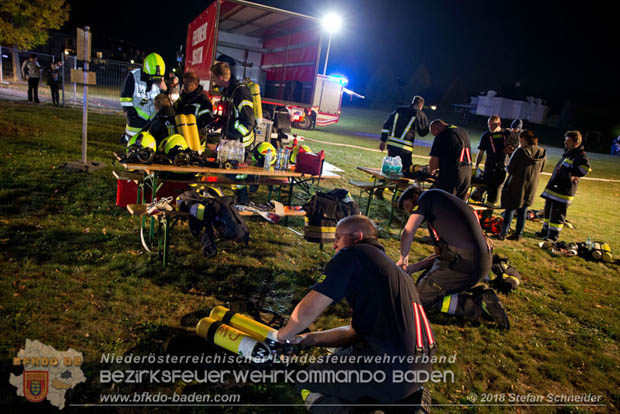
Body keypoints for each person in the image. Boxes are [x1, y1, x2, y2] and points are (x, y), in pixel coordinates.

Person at [277, 215, 435, 412]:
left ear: (357, 237)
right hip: (419, 368)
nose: (334, 245)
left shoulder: (352, 255)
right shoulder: (390, 272)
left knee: (307, 380)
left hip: (388, 368)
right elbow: (353, 334)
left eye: (337, 238)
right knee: (340, 355)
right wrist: (307, 338)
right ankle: (406, 401)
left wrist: (284, 335)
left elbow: (309, 307)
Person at [396, 186, 509, 329]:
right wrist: (413, 268)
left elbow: (407, 231)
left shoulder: (427, 197)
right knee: (423, 283)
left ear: (415, 196)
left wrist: (403, 259)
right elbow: (441, 256)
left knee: (418, 299)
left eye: (409, 207)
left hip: (465, 262)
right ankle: (472, 292)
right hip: (479, 261)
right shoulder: (443, 209)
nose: (410, 213)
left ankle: (477, 306)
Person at [210, 61, 256, 204]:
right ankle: (238, 200)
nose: (213, 80)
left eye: (213, 77)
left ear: (220, 77)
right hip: (232, 140)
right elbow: (228, 115)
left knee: (238, 176)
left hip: (241, 142)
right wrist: (216, 123)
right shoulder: (228, 91)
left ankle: (243, 201)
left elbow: (248, 121)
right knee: (231, 173)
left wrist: (234, 137)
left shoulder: (241, 92)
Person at [536, 130, 590, 241]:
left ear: (576, 143)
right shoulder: (569, 153)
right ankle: (545, 231)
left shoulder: (579, 156)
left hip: (563, 192)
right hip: (555, 189)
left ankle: (552, 236)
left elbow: (584, 169)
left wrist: (573, 173)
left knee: (557, 215)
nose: (565, 143)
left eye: (568, 141)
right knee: (548, 211)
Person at [498, 130, 547, 240]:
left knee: (510, 209)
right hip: (531, 185)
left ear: (524, 139)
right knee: (523, 211)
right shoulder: (542, 152)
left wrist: (507, 163)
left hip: (516, 184)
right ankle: (518, 234)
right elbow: (542, 169)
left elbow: (510, 169)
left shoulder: (520, 151)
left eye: (520, 140)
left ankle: (503, 233)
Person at [119, 52, 167, 144]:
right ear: (145, 71)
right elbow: (125, 97)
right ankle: (126, 139)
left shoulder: (160, 80)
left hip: (153, 120)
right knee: (132, 145)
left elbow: (163, 101)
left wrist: (165, 89)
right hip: (136, 120)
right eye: (152, 77)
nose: (154, 80)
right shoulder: (133, 76)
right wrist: (131, 113)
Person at [379, 95, 429, 178]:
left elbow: (386, 125)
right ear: (421, 106)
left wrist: (383, 141)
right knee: (407, 170)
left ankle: (383, 185)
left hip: (392, 145)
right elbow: (423, 132)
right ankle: (400, 189)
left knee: (390, 167)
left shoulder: (398, 110)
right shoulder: (419, 114)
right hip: (405, 148)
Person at [428, 119, 472, 200]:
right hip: (467, 173)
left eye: (434, 134)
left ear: (437, 128)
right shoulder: (463, 131)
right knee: (460, 204)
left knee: (446, 202)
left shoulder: (443, 135)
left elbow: (434, 162)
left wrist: (430, 171)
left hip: (452, 173)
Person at [474, 115, 512, 206]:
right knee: (481, 188)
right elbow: (481, 152)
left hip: (501, 169)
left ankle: (487, 213)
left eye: (493, 125)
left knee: (495, 192)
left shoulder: (507, 134)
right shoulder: (486, 135)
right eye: (489, 125)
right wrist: (476, 165)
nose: (490, 127)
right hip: (489, 167)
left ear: (499, 123)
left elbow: (513, 152)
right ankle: (475, 207)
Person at [174, 71, 214, 140]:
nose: (184, 87)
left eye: (188, 85)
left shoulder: (203, 101)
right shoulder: (182, 97)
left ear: (196, 85)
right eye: (184, 84)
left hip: (194, 138)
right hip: (180, 135)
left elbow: (205, 122)